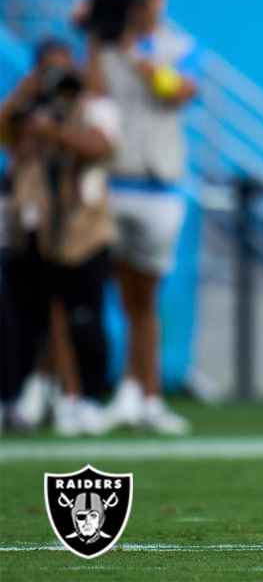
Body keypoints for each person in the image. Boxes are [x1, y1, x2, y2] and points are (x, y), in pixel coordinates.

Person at [93, 0, 199, 436]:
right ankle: (127, 391)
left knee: (146, 296)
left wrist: (135, 53)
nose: (141, 4)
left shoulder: (177, 45)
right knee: (118, 293)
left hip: (158, 183)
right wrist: (97, 32)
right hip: (114, 180)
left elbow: (179, 91)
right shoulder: (104, 44)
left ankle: (147, 393)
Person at [0, 38, 120, 436]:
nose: (57, 80)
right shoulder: (30, 109)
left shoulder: (89, 107)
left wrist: (54, 132)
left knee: (83, 317)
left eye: (63, 70)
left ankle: (84, 397)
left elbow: (100, 147)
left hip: (80, 230)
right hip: (33, 229)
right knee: (31, 316)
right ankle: (32, 393)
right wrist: (25, 93)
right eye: (48, 70)